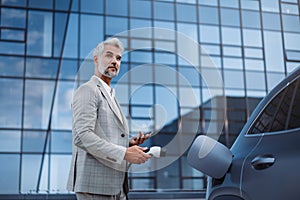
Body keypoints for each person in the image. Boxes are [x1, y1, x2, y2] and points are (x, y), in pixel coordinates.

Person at [67, 37, 152, 200]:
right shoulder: (88, 90)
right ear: (96, 59)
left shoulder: (111, 94)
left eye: (118, 58)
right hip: (95, 186)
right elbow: (82, 136)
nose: (114, 61)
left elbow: (104, 136)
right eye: (109, 55)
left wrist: (128, 144)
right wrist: (124, 153)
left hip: (116, 187)